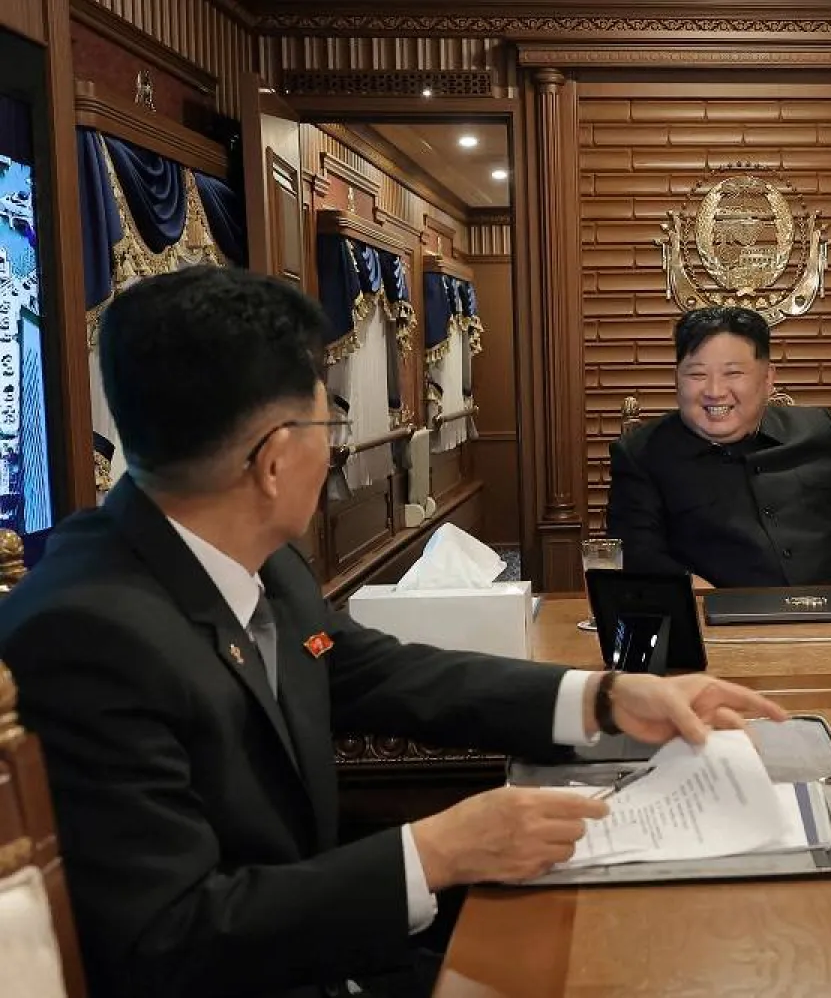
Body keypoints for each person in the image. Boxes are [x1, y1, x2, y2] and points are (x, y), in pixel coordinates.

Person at [0, 267, 787, 998]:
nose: (335, 441)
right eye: (325, 418)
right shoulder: (87, 635)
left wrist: (606, 696)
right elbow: (163, 939)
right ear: (275, 460)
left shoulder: (254, 555)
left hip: (323, 938)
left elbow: (378, 674)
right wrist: (437, 850)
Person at [606, 306, 831, 588]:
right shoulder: (642, 454)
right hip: (725, 629)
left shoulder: (818, 430)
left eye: (733, 373)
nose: (714, 390)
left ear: (768, 379)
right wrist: (691, 590)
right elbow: (638, 553)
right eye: (696, 374)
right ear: (677, 378)